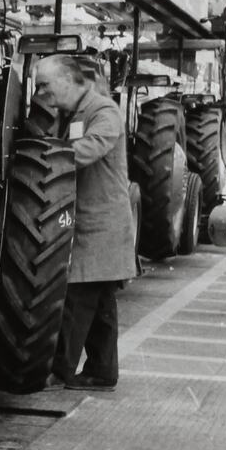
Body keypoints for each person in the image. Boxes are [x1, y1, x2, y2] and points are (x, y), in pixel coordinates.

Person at [31, 54, 137, 390]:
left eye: (45, 85)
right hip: (88, 223)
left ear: (67, 80)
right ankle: (102, 371)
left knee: (77, 297)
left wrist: (43, 162)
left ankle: (59, 370)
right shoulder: (69, 115)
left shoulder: (103, 111)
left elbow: (89, 149)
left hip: (101, 225)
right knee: (101, 302)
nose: (41, 92)